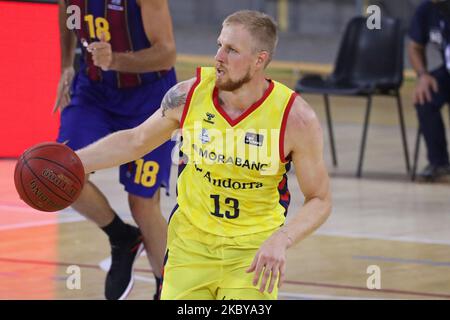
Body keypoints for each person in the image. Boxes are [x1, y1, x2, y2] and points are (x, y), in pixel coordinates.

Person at [76, 10, 332, 300]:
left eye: (232, 50)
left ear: (259, 60)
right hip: (190, 247)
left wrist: (281, 240)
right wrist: (74, 162)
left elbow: (320, 199)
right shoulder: (188, 96)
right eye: (219, 45)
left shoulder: (295, 118)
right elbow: (135, 141)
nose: (218, 57)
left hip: (251, 254)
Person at [54, 0, 177, 299]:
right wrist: (67, 64)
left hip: (149, 97)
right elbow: (68, 15)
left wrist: (117, 61)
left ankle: (169, 288)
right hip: (94, 92)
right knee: (60, 174)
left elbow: (167, 54)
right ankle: (122, 238)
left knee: (142, 204)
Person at [408, 0, 450, 181]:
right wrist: (423, 75)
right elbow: (414, 47)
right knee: (424, 96)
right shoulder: (426, 10)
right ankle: (439, 164)